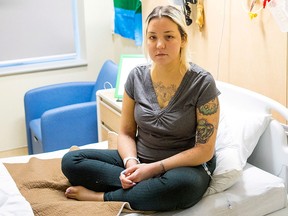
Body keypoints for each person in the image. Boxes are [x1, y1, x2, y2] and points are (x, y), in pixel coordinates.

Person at [61, 5, 220, 211]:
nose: (159, 45)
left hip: (183, 168)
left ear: (183, 39)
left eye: (169, 37)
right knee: (71, 161)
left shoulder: (202, 83)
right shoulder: (136, 77)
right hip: (141, 157)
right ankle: (142, 187)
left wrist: (154, 169)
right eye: (152, 37)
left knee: (182, 187)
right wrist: (131, 164)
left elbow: (204, 150)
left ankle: (102, 196)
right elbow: (126, 133)